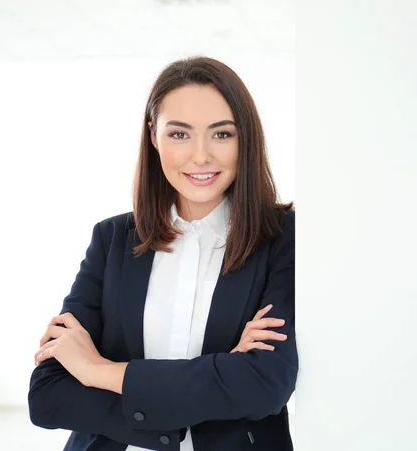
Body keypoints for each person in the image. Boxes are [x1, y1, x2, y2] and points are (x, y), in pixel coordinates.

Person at [28, 56, 297, 451]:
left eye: (222, 134)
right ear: (154, 136)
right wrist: (218, 378)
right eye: (179, 134)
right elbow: (48, 396)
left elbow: (264, 384)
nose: (201, 156)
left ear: (246, 139)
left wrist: (97, 370)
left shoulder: (281, 237)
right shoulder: (112, 239)